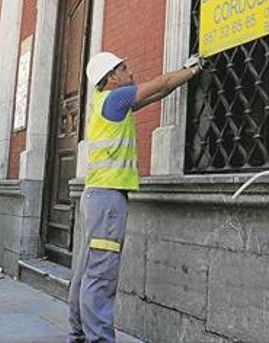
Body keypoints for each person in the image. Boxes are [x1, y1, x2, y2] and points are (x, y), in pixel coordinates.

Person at [68, 51, 202, 343]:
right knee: (101, 273)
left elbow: (159, 91)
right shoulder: (116, 98)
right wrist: (193, 70)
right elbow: (161, 82)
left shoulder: (107, 102)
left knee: (86, 270)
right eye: (124, 68)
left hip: (96, 197)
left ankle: (77, 334)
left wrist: (179, 74)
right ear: (112, 78)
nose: (130, 71)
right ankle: (99, 339)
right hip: (108, 201)